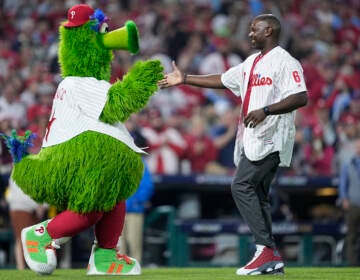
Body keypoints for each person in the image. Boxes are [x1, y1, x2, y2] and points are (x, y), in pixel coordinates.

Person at [158, 14, 308, 275]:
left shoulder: (285, 61)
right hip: (253, 138)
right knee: (258, 196)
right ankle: (269, 257)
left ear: (269, 30)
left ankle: (265, 250)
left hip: (272, 136)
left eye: (254, 30)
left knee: (241, 185)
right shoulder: (251, 62)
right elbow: (224, 80)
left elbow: (301, 96)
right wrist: (186, 79)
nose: (249, 34)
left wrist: (267, 110)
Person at [338, 138, 360, 266]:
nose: (358, 149)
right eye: (357, 147)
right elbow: (343, 184)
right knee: (352, 236)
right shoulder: (348, 164)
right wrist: (344, 198)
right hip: (352, 205)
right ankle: (352, 264)